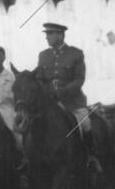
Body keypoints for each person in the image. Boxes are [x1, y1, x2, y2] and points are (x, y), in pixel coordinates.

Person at [35, 22, 101, 173]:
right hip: (50, 103)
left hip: (73, 102)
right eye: (46, 34)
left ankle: (91, 157)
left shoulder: (76, 53)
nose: (47, 37)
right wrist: (46, 91)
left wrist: (63, 91)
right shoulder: (43, 55)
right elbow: (39, 78)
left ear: (60, 35)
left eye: (50, 34)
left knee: (85, 123)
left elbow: (79, 79)